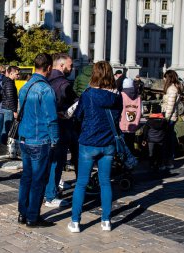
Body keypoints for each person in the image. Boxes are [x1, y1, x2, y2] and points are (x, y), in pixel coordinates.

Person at [68, 61, 122, 233]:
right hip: (108, 143)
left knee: (82, 183)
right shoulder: (117, 96)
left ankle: (75, 222)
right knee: (105, 183)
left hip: (88, 142)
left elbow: (77, 116)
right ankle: (106, 221)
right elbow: (117, 117)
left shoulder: (88, 94)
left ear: (95, 75)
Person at [17, 53, 59, 228]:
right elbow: (51, 118)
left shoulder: (25, 86)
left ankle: (23, 213)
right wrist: (55, 139)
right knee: (38, 180)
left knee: (26, 177)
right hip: (40, 139)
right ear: (48, 67)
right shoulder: (46, 89)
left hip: (24, 138)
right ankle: (33, 217)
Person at [44, 53, 79, 208]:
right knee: (57, 162)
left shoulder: (45, 80)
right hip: (61, 127)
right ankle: (50, 195)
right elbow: (69, 104)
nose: (72, 68)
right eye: (70, 66)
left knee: (50, 161)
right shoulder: (63, 84)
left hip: (44, 128)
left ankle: (50, 191)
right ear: (62, 65)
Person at [162, 70, 184, 170]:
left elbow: (170, 106)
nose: (163, 79)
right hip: (173, 116)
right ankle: (169, 160)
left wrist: (166, 118)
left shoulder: (172, 89)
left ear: (169, 78)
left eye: (165, 77)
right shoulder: (177, 87)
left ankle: (168, 161)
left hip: (169, 117)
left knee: (167, 140)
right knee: (170, 139)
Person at [119, 77, 141, 155]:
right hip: (134, 124)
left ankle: (125, 162)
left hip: (123, 124)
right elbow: (139, 110)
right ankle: (131, 163)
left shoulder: (121, 95)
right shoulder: (138, 96)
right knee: (131, 144)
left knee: (123, 145)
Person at [1, 66, 20, 148]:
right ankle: (3, 147)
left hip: (7, 107)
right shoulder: (9, 83)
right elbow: (10, 98)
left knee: (7, 128)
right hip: (9, 108)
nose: (18, 76)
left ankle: (4, 145)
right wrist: (15, 111)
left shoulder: (9, 82)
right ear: (11, 73)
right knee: (7, 129)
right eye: (17, 74)